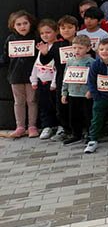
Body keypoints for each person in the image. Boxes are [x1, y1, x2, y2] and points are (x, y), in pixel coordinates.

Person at [37, 15, 79, 142]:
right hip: (62, 79)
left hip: (79, 79)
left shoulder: (81, 41)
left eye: (70, 27)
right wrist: (44, 53)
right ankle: (66, 130)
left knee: (77, 105)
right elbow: (45, 60)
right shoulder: (57, 45)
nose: (66, 30)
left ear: (76, 28)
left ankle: (80, 130)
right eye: (63, 28)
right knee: (61, 106)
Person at [1, 10, 38, 138]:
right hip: (15, 76)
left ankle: (32, 126)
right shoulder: (10, 39)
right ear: (13, 26)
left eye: (25, 23)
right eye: (19, 24)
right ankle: (20, 126)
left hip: (31, 76)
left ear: (30, 23)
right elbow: (5, 57)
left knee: (32, 100)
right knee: (18, 102)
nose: (22, 26)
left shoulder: (35, 37)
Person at [83, 38, 108, 154]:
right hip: (100, 98)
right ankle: (93, 138)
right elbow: (91, 81)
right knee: (96, 119)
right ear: (98, 51)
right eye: (102, 49)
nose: (104, 51)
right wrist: (96, 95)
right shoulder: (95, 65)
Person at [60, 35, 95, 145]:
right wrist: (64, 92)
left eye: (80, 48)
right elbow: (66, 78)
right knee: (74, 116)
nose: (77, 50)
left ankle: (90, 134)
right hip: (73, 93)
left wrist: (91, 90)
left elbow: (94, 78)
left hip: (85, 94)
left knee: (88, 115)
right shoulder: (70, 61)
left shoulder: (92, 62)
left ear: (88, 48)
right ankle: (76, 134)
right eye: (74, 48)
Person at [31, 19, 59, 140]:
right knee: (44, 105)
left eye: (48, 32)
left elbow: (57, 67)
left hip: (54, 83)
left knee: (57, 105)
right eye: (42, 33)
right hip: (42, 83)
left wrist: (54, 82)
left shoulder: (58, 46)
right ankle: (47, 126)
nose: (45, 35)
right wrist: (34, 80)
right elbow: (36, 65)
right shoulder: (42, 46)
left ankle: (60, 126)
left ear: (56, 31)